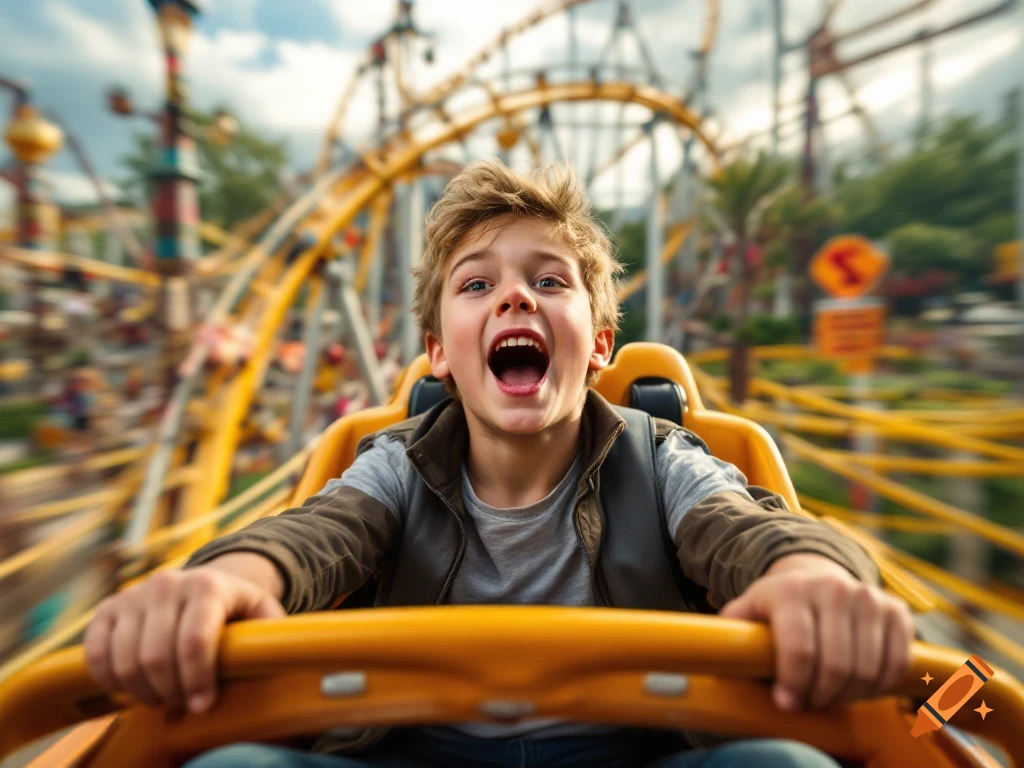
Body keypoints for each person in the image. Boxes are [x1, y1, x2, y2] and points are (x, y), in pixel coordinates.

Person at [84, 161, 914, 768]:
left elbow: (740, 527)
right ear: (440, 352)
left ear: (598, 344)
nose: (515, 298)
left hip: (630, 751)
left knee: (781, 766)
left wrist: (812, 573)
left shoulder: (659, 458)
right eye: (477, 285)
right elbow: (316, 533)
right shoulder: (398, 467)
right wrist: (227, 577)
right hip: (416, 749)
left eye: (549, 280)